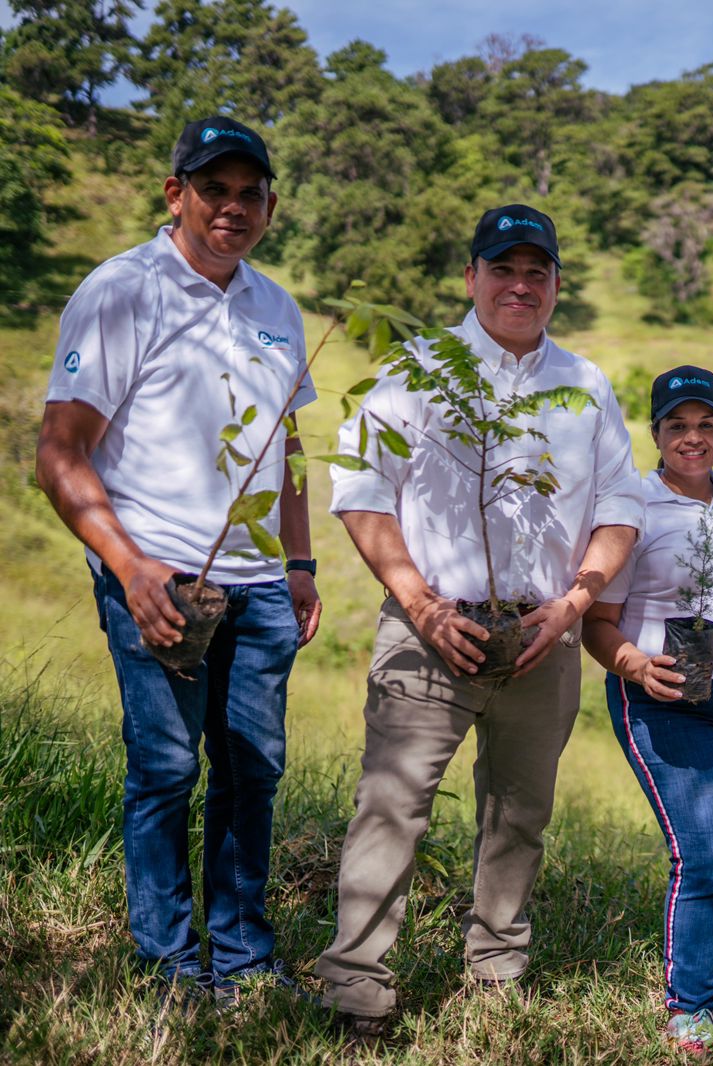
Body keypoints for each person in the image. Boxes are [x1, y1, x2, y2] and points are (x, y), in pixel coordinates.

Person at [314, 204, 644, 1032]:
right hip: (432, 636)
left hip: (544, 639)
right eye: (503, 268)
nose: (520, 285)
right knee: (393, 804)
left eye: (538, 271)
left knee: (520, 813)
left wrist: (573, 603)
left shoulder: (587, 385)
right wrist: (421, 604)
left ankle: (496, 968)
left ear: (558, 285)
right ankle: (358, 980)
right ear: (471, 277)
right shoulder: (418, 369)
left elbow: (619, 507)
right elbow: (360, 494)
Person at [35, 116, 320, 1002]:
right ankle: (167, 966)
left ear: (270, 205)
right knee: (164, 767)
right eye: (214, 189)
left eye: (250, 192)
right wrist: (130, 568)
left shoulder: (277, 306)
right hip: (160, 575)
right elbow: (60, 451)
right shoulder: (123, 289)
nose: (232, 207)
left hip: (259, 583)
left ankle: (242, 961)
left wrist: (301, 561)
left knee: (253, 768)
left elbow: (290, 439)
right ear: (176, 195)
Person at [581, 366, 713, 1054]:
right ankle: (688, 1005)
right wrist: (635, 665)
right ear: (656, 433)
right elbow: (597, 622)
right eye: (677, 426)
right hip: (667, 699)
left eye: (706, 424)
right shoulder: (630, 507)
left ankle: (710, 987)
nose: (692, 438)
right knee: (701, 855)